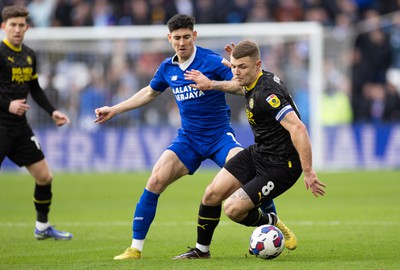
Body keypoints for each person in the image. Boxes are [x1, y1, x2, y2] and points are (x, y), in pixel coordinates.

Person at [94, 14, 289, 260]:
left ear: (194, 36)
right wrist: (114, 109)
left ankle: (274, 222)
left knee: (251, 173)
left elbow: (241, 86)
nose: (182, 42)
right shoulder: (167, 67)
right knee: (155, 180)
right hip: (188, 139)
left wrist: (212, 84)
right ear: (169, 39)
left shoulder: (211, 60)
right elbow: (149, 93)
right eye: (177, 38)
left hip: (220, 136)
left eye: (187, 37)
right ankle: (135, 248)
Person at [174, 40, 326, 259]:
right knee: (211, 194)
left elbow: (298, 128)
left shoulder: (267, 94)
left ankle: (271, 221)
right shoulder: (254, 79)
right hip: (260, 153)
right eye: (234, 67)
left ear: (258, 65)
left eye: (242, 67)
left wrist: (309, 170)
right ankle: (201, 251)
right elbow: (236, 84)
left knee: (233, 209)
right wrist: (218, 77)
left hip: (282, 166)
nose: (236, 72)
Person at [0, 5, 72, 240]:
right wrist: (8, 104)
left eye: (21, 25)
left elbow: (34, 88)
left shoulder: (29, 54)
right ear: (4, 27)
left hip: (19, 128)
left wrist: (53, 112)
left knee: (44, 177)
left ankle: (42, 227)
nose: (17, 29)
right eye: (13, 25)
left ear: (27, 27)